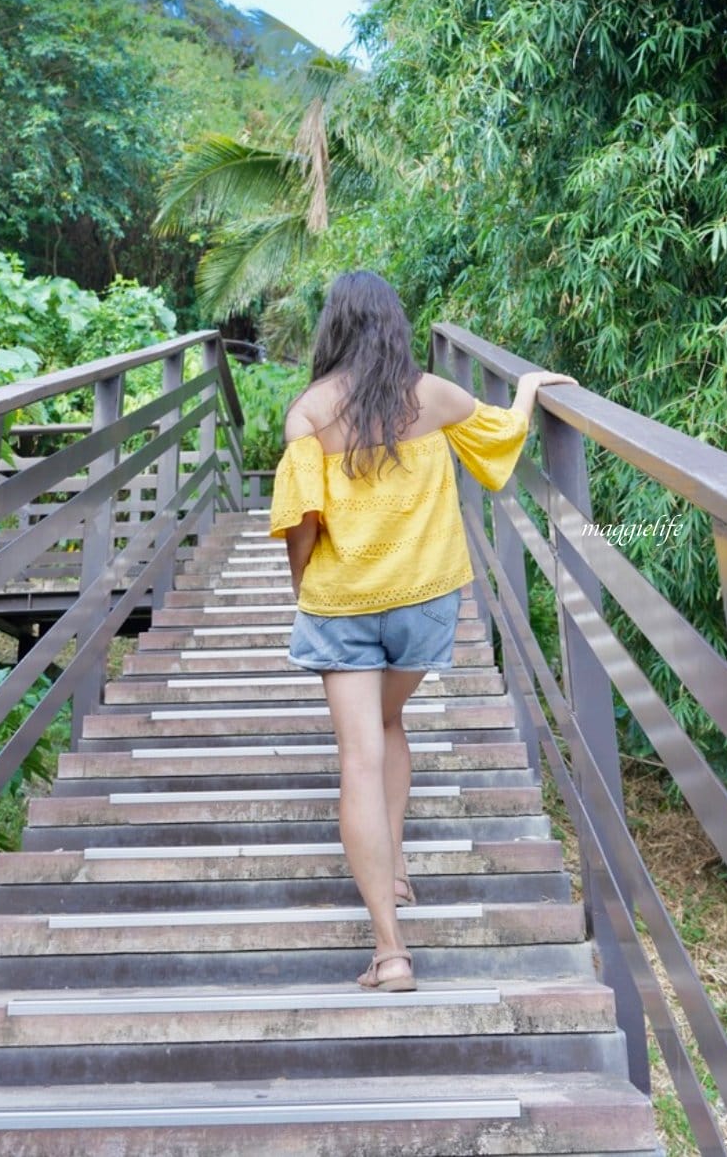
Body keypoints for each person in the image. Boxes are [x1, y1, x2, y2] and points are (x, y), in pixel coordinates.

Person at [268, 271, 578, 991]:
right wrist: (528, 387)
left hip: (343, 602)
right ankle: (397, 865)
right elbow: (501, 438)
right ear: (394, 326)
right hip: (425, 601)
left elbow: (303, 526)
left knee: (359, 758)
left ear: (333, 329)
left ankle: (390, 952)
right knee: (390, 721)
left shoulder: (307, 416)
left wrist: (301, 591)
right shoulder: (431, 395)